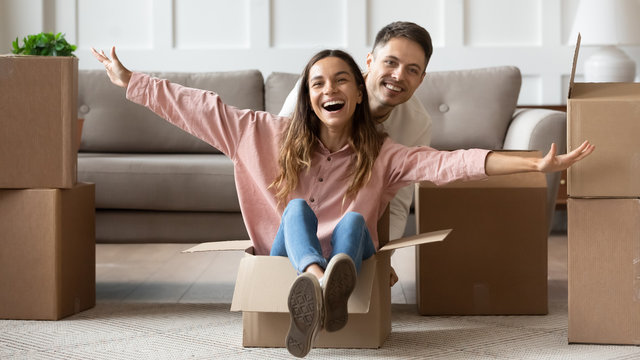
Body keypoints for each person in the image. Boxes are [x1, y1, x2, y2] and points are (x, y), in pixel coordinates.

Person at [91, 46, 594, 358]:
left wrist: (531, 164)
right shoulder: (265, 133)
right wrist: (133, 82)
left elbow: (451, 164)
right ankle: (315, 283)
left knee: (356, 220)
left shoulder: (385, 153)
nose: (328, 89)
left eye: (340, 81)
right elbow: (200, 108)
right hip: (291, 253)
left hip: (354, 253)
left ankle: (334, 281)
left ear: (358, 93)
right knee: (296, 211)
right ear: (309, 97)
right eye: (317, 83)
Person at [279, 21, 433, 243]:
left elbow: (398, 202)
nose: (398, 76)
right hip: (299, 221)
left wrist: (385, 257)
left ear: (421, 79)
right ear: (370, 61)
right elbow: (278, 161)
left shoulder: (417, 124)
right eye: (391, 62)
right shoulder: (318, 91)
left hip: (353, 233)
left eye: (412, 70)